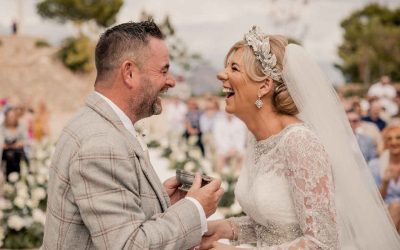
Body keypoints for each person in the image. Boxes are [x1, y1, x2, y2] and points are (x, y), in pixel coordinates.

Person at [199, 26, 400, 249]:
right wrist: (225, 228)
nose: (221, 74)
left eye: (234, 68)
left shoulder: (300, 143)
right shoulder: (258, 138)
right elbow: (276, 225)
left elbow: (321, 242)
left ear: (264, 86)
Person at [43, 21, 224, 250]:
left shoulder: (97, 124)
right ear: (129, 73)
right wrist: (195, 209)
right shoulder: (101, 143)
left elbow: (109, 223)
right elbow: (128, 245)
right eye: (164, 70)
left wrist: (161, 204)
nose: (171, 81)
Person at [368, 125, 400, 232]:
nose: (394, 142)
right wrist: (385, 183)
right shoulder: (375, 165)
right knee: (396, 206)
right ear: (386, 143)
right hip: (385, 208)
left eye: (398, 138)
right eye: (389, 139)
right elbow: (375, 200)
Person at [1, 107, 29, 178]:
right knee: (10, 155)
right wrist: (5, 145)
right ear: (6, 117)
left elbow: (27, 140)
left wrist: (19, 143)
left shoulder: (21, 126)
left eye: (13, 116)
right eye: (10, 116)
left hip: (18, 153)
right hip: (6, 154)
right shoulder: (2, 128)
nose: (12, 118)